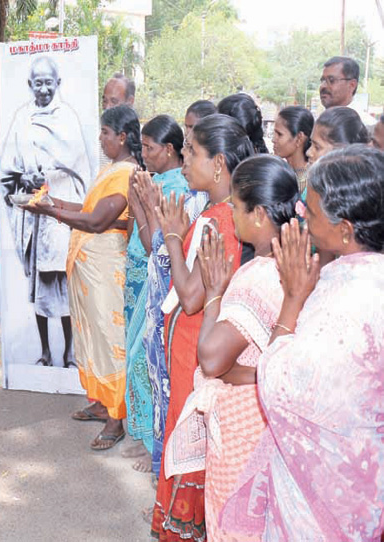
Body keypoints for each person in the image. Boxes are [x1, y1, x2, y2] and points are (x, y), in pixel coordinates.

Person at [221, 144, 384, 540]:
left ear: (344, 230)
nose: (300, 216)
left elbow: (278, 387)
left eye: (309, 211)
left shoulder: (344, 303)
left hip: (328, 494)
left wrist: (293, 299)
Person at [171, 155, 299, 540]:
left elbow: (210, 357)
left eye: (238, 208)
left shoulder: (256, 276)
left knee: (233, 523)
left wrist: (214, 294)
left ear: (259, 214)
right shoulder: (295, 263)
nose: (233, 215)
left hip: (244, 427)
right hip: (269, 419)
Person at [151, 114, 253, 541]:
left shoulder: (222, 220)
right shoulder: (219, 213)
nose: (185, 159)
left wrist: (173, 235)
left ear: (219, 164)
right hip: (189, 346)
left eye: (192, 152)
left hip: (198, 346)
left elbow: (193, 297)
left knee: (189, 436)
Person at [31, 105, 136, 451]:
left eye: (106, 133)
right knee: (90, 338)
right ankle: (101, 401)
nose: (101, 139)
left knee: (109, 340)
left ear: (122, 137)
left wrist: (50, 211)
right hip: (90, 271)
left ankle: (115, 418)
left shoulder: (127, 173)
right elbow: (88, 211)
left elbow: (97, 222)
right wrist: (52, 202)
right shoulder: (113, 170)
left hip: (107, 272)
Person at [0, 55, 93, 368]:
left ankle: (68, 350)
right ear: (29, 85)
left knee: (63, 285)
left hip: (62, 213)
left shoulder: (67, 117)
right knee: (40, 287)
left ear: (58, 84)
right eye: (37, 82)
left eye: (48, 82)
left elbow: (78, 165)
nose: (42, 89)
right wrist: (26, 178)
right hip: (35, 217)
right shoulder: (21, 119)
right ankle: (44, 350)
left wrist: (53, 174)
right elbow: (8, 170)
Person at [130, 117, 208, 480]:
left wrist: (145, 204)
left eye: (193, 150)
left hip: (175, 301)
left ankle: (159, 459)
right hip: (159, 292)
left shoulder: (181, 191)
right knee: (145, 368)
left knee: (161, 380)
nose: (143, 155)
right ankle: (153, 447)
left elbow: (159, 250)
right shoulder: (173, 186)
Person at [122, 115, 183, 474]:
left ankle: (154, 448)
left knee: (146, 362)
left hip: (161, 282)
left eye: (149, 148)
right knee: (137, 358)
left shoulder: (173, 188)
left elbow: (153, 245)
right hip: (143, 279)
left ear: (169, 149)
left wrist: (141, 202)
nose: (143, 155)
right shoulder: (157, 180)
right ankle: (147, 440)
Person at [319, 56, 376, 126]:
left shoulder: (367, 126)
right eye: (322, 80)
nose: (323, 86)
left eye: (331, 80)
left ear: (352, 85)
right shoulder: (318, 123)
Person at [272, 105, 313, 191]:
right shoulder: (281, 172)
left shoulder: (312, 183)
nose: (273, 140)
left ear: (299, 138)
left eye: (279, 134)